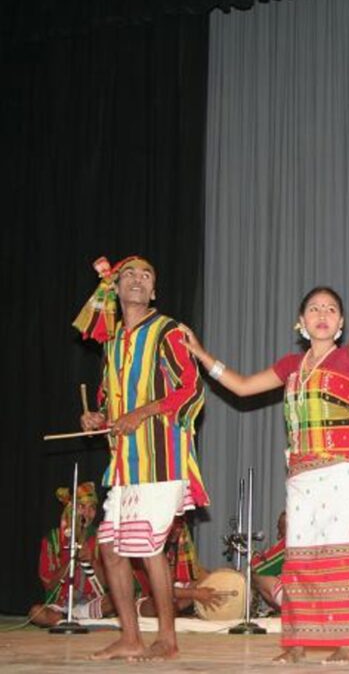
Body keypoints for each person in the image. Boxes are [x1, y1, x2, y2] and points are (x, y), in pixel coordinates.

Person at [182, 262, 349, 664]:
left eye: (331, 309)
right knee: (300, 554)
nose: (322, 314)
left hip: (341, 470)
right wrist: (200, 354)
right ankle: (297, 641)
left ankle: (347, 641)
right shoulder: (290, 367)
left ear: (340, 323)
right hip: (301, 474)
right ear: (301, 321)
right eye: (314, 308)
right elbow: (243, 387)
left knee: (344, 551)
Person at [75, 255, 207, 661]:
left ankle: (167, 639)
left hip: (161, 460)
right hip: (125, 464)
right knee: (110, 549)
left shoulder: (167, 331)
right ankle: (130, 636)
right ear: (115, 288)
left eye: (146, 275)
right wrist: (97, 418)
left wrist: (143, 412)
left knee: (148, 548)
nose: (136, 279)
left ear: (154, 291)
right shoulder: (112, 343)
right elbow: (109, 403)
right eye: (128, 274)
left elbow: (191, 390)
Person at [30, 482, 114, 626]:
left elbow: (108, 583)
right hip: (61, 605)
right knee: (36, 613)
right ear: (71, 509)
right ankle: (68, 619)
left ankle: (76, 618)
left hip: (90, 604)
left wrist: (92, 560)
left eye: (92, 508)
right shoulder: (53, 538)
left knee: (118, 600)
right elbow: (49, 584)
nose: (87, 513)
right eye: (82, 507)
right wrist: (72, 561)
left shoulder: (102, 537)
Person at [251, 511, 287, 612]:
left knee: (257, 577)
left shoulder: (291, 544)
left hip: (299, 604)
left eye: (281, 530)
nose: (278, 536)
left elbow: (256, 568)